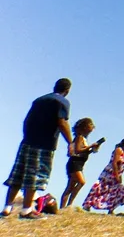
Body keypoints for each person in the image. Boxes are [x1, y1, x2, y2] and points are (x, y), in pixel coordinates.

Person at [2, 78, 74, 220]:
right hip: (44, 144)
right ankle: (26, 210)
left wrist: (27, 136)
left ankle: (6, 208)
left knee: (18, 174)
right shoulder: (62, 102)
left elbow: (26, 120)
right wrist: (70, 142)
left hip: (27, 141)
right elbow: (62, 122)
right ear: (67, 91)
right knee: (35, 175)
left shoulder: (39, 100)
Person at [82, 138, 124, 214]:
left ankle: (111, 208)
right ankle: (88, 204)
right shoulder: (118, 150)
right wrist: (116, 175)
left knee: (115, 191)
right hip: (110, 173)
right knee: (101, 189)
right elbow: (114, 163)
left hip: (118, 173)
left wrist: (120, 175)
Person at [60, 118, 101, 209]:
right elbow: (78, 150)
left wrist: (93, 148)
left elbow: (84, 152)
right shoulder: (79, 137)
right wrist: (90, 146)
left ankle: (64, 207)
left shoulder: (84, 139)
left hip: (79, 163)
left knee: (70, 187)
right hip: (75, 163)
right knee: (81, 182)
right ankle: (69, 204)